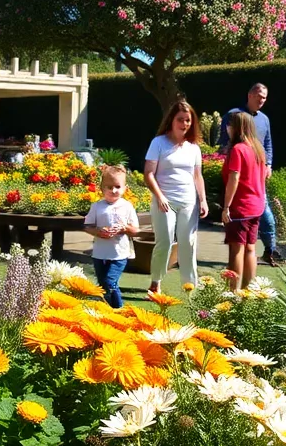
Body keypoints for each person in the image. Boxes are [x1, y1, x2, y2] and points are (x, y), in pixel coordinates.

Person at [143, 99, 208, 292]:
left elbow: (197, 176)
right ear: (172, 120)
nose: (185, 124)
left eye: (188, 120)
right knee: (164, 241)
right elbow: (148, 173)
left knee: (188, 241)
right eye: (181, 119)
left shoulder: (193, 147)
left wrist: (203, 200)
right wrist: (160, 196)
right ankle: (156, 282)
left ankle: (189, 285)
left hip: (188, 201)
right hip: (164, 201)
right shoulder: (159, 143)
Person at [220, 83, 282, 266]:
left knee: (264, 217)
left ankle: (270, 250)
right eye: (258, 96)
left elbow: (268, 144)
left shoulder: (264, 119)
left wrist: (268, 164)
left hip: (256, 174)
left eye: (264, 97)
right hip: (241, 170)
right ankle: (244, 283)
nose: (261, 100)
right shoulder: (234, 115)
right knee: (246, 244)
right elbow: (223, 143)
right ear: (249, 95)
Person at [221, 110, 268, 290]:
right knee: (250, 248)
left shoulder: (238, 149)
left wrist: (226, 207)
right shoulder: (258, 149)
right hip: (256, 206)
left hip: (241, 207)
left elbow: (234, 178)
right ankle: (248, 291)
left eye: (229, 125)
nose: (227, 128)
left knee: (236, 250)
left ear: (236, 127)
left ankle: (232, 293)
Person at [84, 164, 139, 308]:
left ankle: (118, 309)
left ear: (124, 188)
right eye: (109, 187)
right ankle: (105, 309)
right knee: (103, 285)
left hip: (119, 254)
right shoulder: (97, 207)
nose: (113, 190)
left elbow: (135, 230)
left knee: (110, 281)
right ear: (102, 188)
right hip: (100, 253)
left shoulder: (127, 206)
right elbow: (87, 226)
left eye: (117, 186)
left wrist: (123, 228)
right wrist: (99, 231)